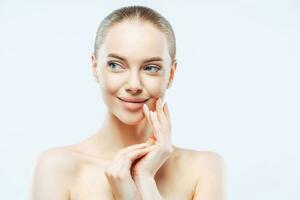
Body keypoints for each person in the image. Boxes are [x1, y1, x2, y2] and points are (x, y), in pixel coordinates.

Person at [31, 5, 225, 200]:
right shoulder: (57, 167)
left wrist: (144, 181)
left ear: (171, 74)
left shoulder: (204, 169)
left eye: (151, 68)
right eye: (115, 65)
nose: (134, 85)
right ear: (95, 66)